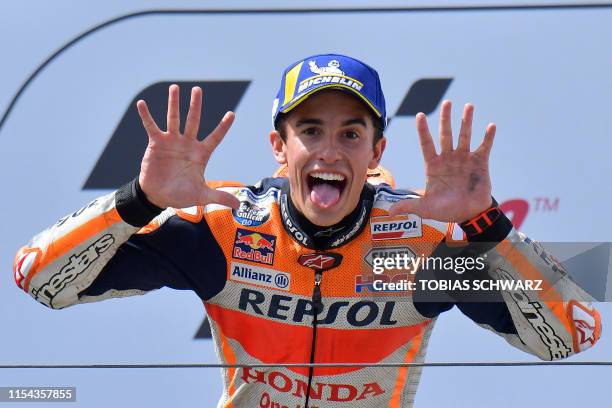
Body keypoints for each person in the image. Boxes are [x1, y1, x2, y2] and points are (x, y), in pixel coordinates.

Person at [13, 53, 601, 407]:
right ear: (278, 148)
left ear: (376, 152)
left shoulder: (417, 249)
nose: (329, 150)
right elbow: (39, 277)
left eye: (351, 134)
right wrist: (137, 202)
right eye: (310, 131)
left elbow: (569, 335)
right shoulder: (222, 232)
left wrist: (488, 226)